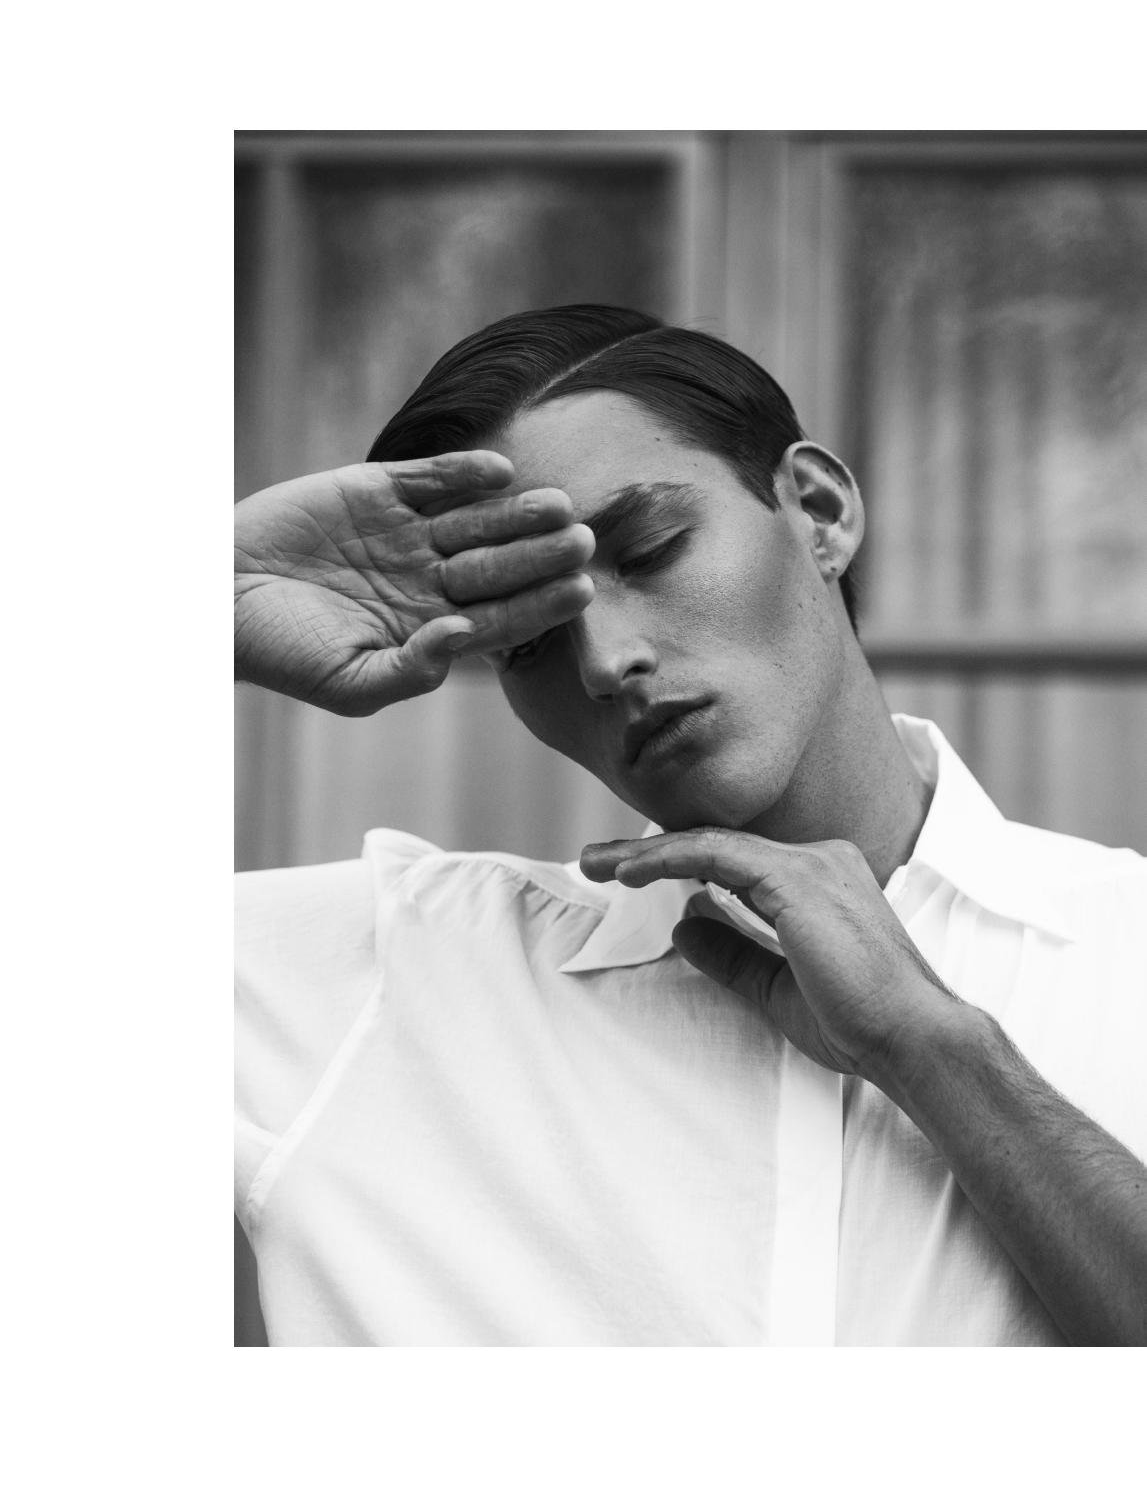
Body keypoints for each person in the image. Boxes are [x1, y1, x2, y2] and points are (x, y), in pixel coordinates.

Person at [235, 304, 1147, 1346]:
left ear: (818, 511)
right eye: (526, 641)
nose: (602, 659)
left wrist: (931, 1047)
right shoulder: (390, 974)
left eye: (651, 549)